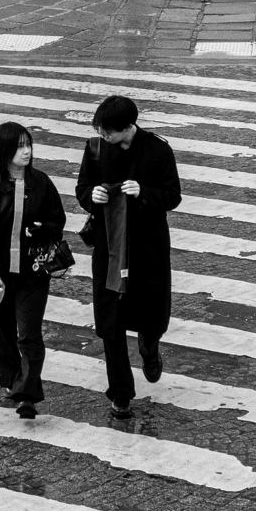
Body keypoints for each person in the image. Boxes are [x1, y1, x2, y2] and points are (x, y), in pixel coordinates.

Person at [75, 95, 181, 421]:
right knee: (111, 322)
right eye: (101, 129)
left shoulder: (158, 150)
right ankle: (121, 393)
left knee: (150, 312)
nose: (103, 135)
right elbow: (82, 188)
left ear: (126, 127)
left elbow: (173, 195)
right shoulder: (95, 149)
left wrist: (144, 193)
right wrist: (91, 195)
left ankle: (149, 345)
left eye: (108, 131)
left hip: (147, 250)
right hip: (109, 248)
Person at [0, 122, 66, 420]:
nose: (27, 151)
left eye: (28, 144)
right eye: (20, 146)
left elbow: (57, 221)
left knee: (29, 333)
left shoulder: (41, 183)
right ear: (4, 151)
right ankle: (12, 381)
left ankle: (27, 394)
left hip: (33, 273)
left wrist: (44, 229)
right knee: (1, 334)